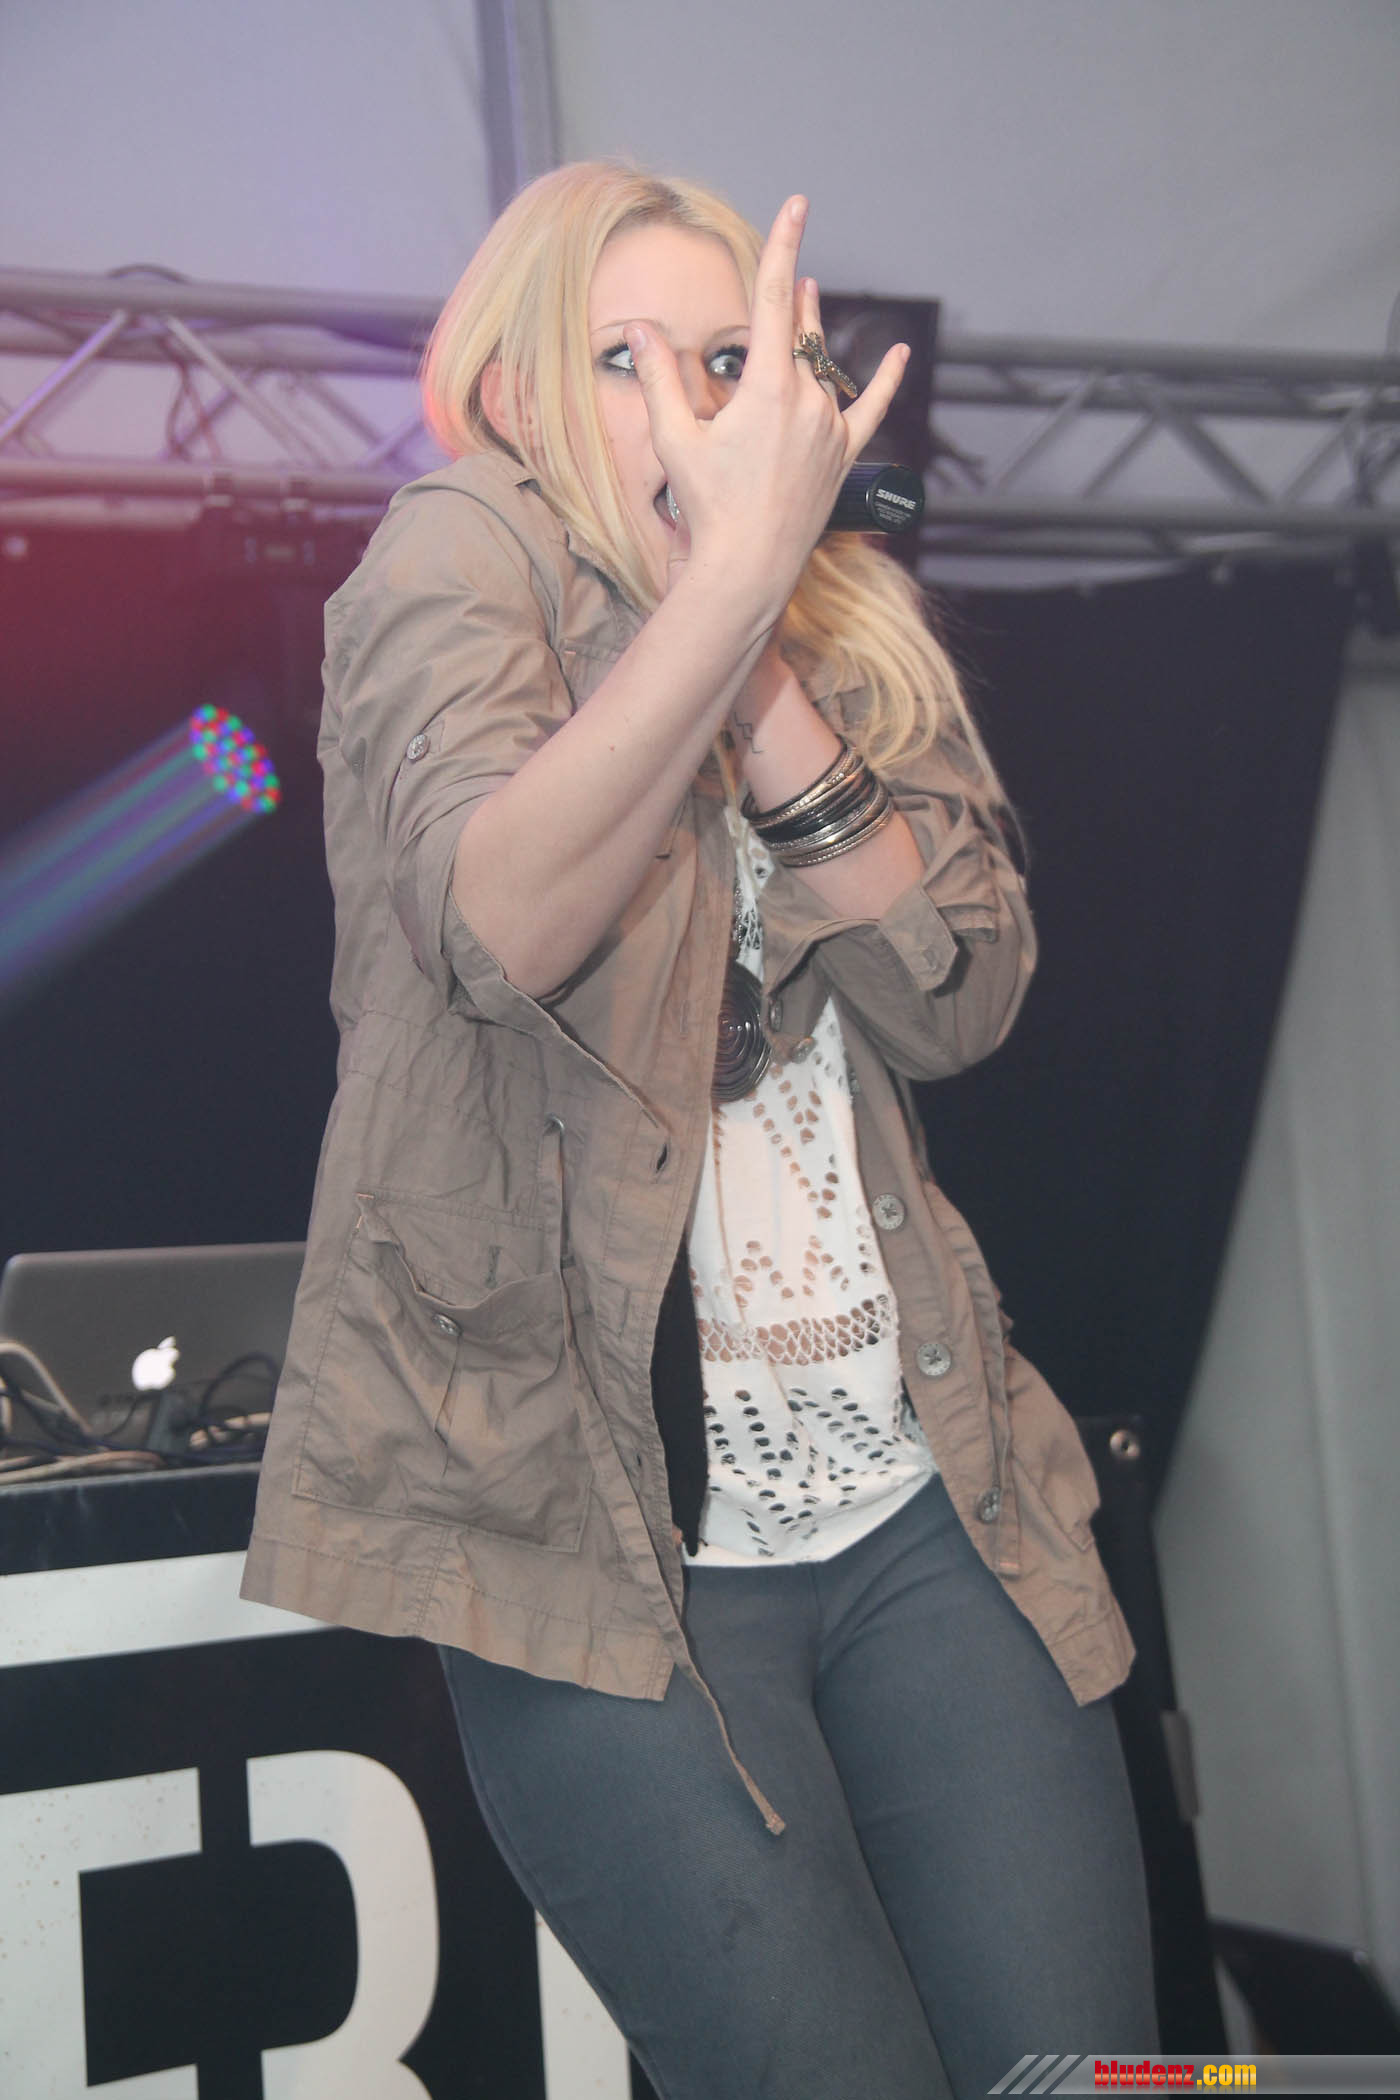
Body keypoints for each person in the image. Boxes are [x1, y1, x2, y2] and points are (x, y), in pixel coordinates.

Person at [242, 161, 1157, 2099]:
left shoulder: (850, 618)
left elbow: (956, 1000)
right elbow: (499, 930)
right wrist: (721, 596)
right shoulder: (457, 555)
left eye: (731, 359)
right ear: (515, 395)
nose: (690, 402)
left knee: (1094, 2078)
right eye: (624, 358)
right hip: (604, 1538)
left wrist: (769, 649)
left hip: (925, 1496)